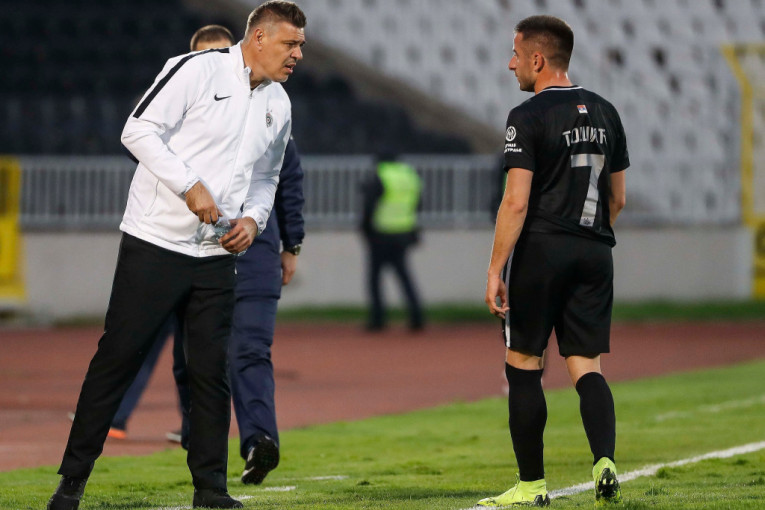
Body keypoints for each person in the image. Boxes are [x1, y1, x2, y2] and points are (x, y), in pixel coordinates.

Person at [47, 3, 307, 510]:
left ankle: (210, 490)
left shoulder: (279, 102)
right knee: (117, 360)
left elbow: (267, 176)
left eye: (301, 46)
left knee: (211, 372)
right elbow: (136, 130)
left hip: (217, 254)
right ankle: (71, 482)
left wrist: (255, 219)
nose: (297, 54)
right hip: (155, 243)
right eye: (290, 44)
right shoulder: (194, 69)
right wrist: (189, 185)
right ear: (258, 38)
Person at [478, 15, 628, 508]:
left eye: (516, 54)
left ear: (538, 60)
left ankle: (531, 486)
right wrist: (587, 237)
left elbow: (515, 201)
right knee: (587, 365)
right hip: (595, 251)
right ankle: (604, 461)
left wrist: (495, 269)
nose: (511, 64)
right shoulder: (607, 111)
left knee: (524, 364)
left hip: (542, 251)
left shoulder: (527, 116)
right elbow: (618, 198)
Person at [360, 155, 424, 331]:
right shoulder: (409, 174)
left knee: (375, 277)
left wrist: (365, 228)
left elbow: (370, 204)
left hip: (381, 232)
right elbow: (418, 203)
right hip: (404, 232)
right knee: (404, 275)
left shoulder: (381, 174)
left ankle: (378, 319)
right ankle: (417, 316)